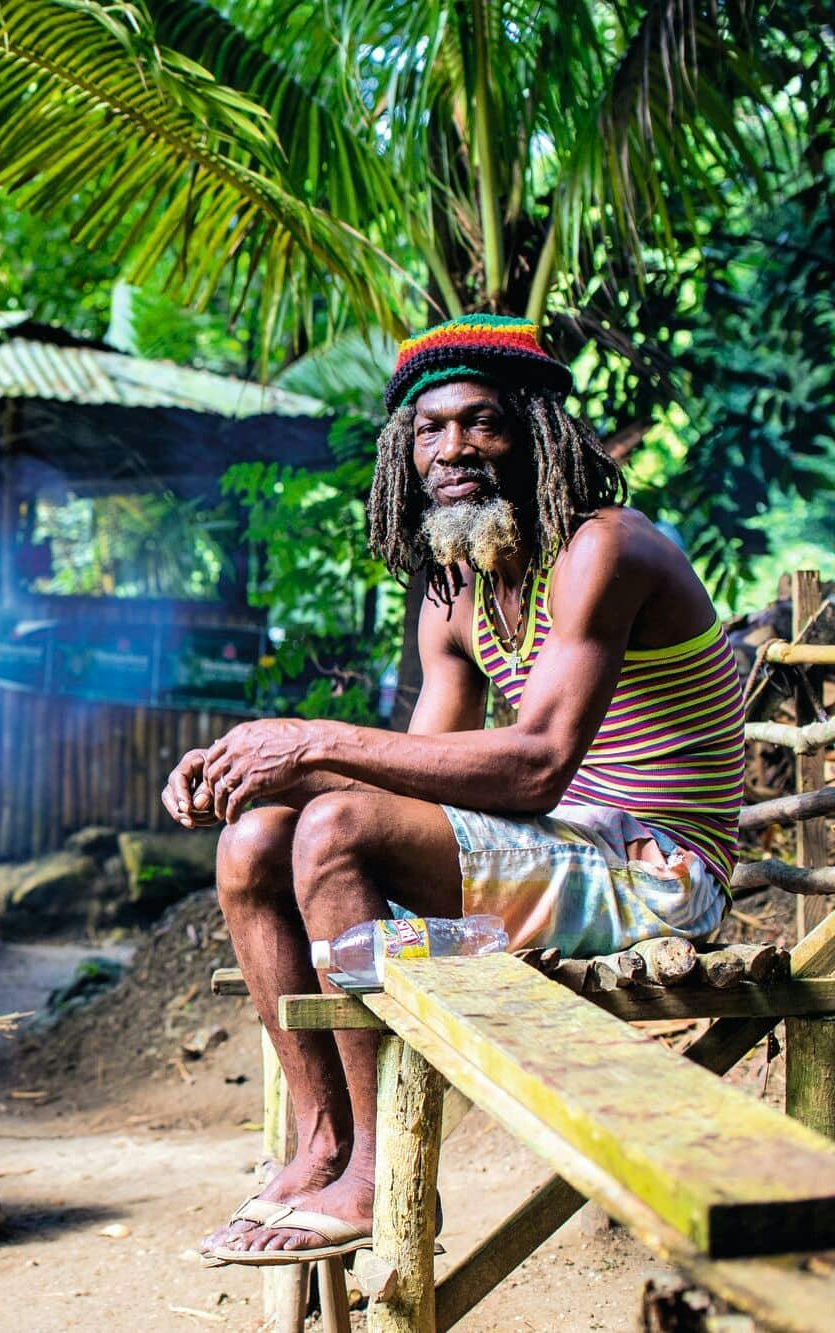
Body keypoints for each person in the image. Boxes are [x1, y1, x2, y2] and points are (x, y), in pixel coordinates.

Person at [163, 315, 745, 1266]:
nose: (453, 451)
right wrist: (254, 761)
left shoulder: (606, 548)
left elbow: (533, 765)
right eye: (430, 430)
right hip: (557, 851)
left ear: (538, 432)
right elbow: (422, 779)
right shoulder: (455, 590)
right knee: (258, 840)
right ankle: (322, 1146)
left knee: (335, 829)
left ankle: (378, 1176)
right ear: (406, 448)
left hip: (660, 874)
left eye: (482, 422)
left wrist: (311, 744)